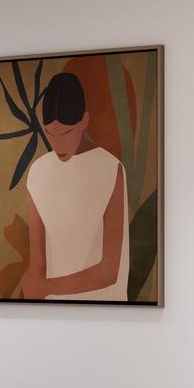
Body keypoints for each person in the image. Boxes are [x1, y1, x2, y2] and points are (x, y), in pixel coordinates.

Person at [21, 71, 130, 301]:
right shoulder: (37, 173)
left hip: (107, 309)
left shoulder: (111, 169)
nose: (58, 143)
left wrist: (45, 287)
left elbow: (109, 271)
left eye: (66, 133)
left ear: (84, 121)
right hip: (50, 310)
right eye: (50, 133)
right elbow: (37, 266)